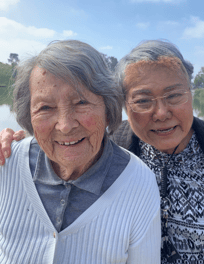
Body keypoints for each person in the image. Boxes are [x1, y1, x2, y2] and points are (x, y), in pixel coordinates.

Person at [2, 39, 204, 264]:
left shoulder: (132, 173)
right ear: (123, 105)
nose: (161, 113)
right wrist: (26, 138)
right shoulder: (103, 144)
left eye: (174, 95)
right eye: (143, 100)